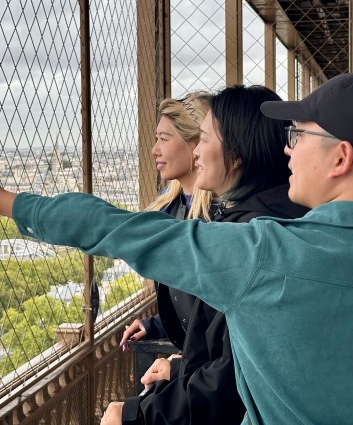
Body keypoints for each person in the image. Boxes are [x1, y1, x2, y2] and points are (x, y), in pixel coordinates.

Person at [0, 73, 353, 424]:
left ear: (341, 157)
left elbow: (121, 230)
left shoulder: (263, 253)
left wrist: (2, 201)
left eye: (297, 136)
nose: (289, 150)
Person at [116, 85, 308, 425]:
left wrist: (136, 415)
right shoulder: (262, 219)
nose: (154, 149)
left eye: (203, 141)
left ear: (234, 155)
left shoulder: (245, 236)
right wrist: (175, 355)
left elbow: (230, 376)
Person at [126, 92, 213, 354]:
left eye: (164, 139)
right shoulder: (172, 207)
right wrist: (157, 325)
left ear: (196, 143)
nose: (155, 149)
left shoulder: (221, 216)